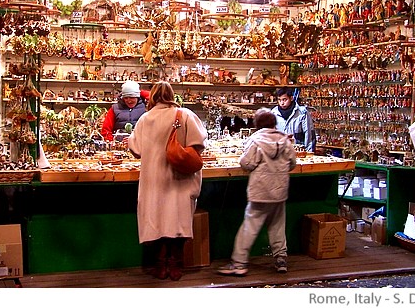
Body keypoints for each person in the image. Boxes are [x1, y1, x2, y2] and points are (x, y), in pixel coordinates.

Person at [128, 81, 207, 281]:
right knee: (177, 221)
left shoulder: (145, 119)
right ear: (172, 95)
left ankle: (160, 265)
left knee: (157, 221)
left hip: (154, 180)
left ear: (152, 96)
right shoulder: (185, 115)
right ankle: (175, 265)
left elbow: (136, 149)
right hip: (179, 179)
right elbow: (199, 144)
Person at [217, 108, 297, 276]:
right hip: (279, 191)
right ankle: (281, 259)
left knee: (250, 227)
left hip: (260, 191)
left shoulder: (255, 141)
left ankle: (239, 264)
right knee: (277, 226)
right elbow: (292, 163)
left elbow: (246, 163)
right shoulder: (285, 140)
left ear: (256, 124)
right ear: (274, 123)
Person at [271, 87, 316, 152]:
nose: (282, 103)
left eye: (284, 100)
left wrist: (309, 152)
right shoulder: (274, 113)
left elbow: (309, 134)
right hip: (280, 152)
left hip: (298, 151)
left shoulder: (302, 112)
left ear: (291, 98)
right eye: (279, 100)